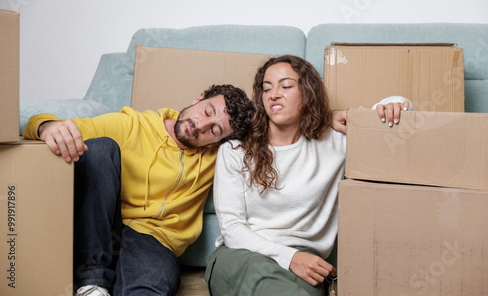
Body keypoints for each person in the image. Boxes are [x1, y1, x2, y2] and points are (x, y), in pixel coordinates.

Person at [205, 55, 412, 296]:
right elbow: (232, 229)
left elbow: (395, 117)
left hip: (307, 263)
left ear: (307, 93)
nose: (274, 94)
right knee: (264, 282)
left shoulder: (334, 142)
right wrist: (291, 257)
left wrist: (395, 104)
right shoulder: (235, 150)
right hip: (240, 255)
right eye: (267, 88)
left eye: (286, 86)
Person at [22, 84, 255, 296]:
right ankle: (93, 284)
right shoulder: (131, 125)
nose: (201, 126)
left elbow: (270, 143)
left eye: (214, 130)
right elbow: (60, 129)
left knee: (147, 291)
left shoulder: (219, 157)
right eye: (206, 112)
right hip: (102, 230)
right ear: (199, 98)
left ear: (217, 143)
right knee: (101, 148)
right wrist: (45, 126)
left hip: (154, 241)